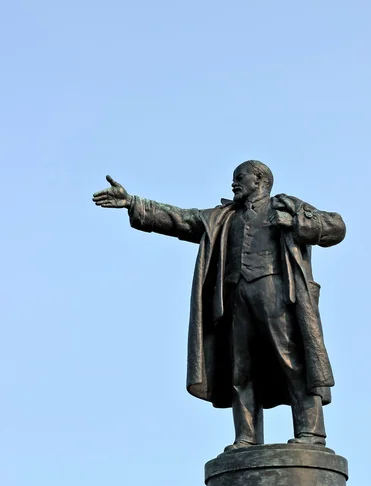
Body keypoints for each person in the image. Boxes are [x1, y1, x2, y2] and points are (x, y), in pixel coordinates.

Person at [92, 160, 346, 450]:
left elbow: (336, 226)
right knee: (241, 370)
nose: (234, 184)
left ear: (260, 180)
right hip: (236, 298)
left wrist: (299, 223)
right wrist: (133, 203)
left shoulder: (285, 206)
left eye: (240, 177)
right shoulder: (224, 217)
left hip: (277, 292)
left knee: (293, 361)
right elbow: (182, 219)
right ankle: (247, 438)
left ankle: (311, 434)